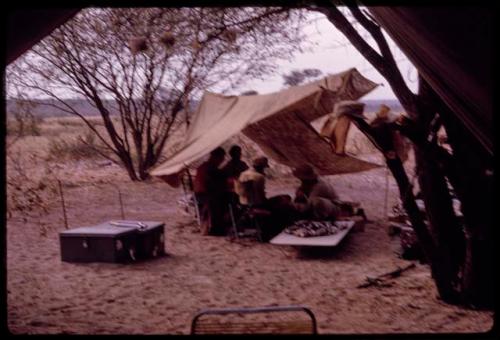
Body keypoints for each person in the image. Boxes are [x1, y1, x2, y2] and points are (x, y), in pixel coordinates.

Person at [235, 157, 297, 241]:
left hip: (242, 204)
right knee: (283, 205)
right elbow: (261, 197)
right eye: (264, 168)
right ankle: (277, 230)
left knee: (280, 199)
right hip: (255, 205)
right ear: (261, 167)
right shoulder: (260, 177)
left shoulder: (243, 173)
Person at [193, 147, 227, 236]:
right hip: (204, 195)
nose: (222, 160)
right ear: (215, 157)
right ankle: (216, 227)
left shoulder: (206, 166)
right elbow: (211, 184)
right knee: (225, 200)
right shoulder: (209, 168)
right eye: (221, 158)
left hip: (202, 193)